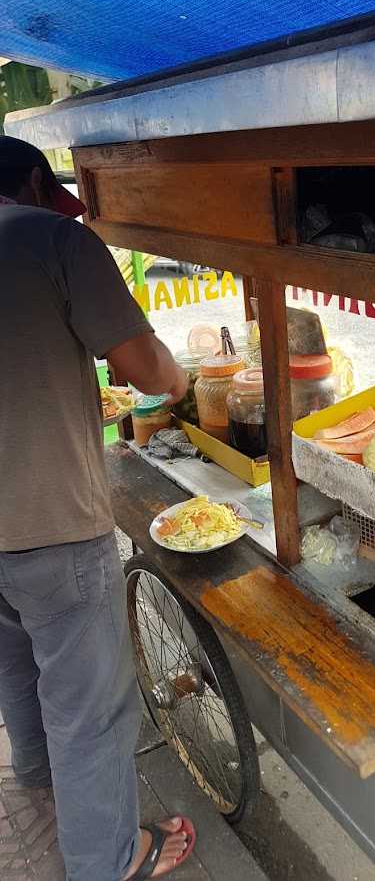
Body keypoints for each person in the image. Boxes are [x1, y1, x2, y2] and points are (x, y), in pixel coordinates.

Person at [0, 136, 196, 880]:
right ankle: (110, 860)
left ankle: (37, 775)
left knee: (17, 660)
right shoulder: (52, 237)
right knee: (92, 707)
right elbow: (147, 368)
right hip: (48, 522)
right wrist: (175, 380)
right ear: (29, 182)